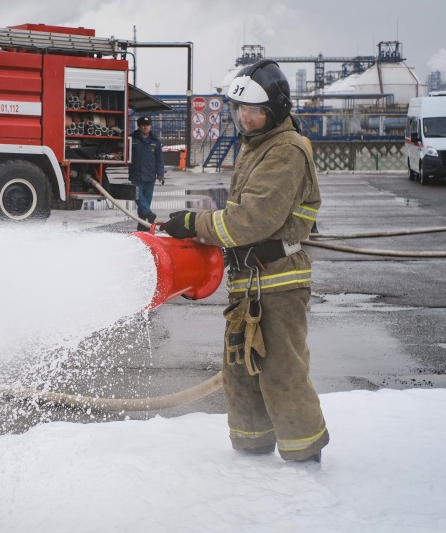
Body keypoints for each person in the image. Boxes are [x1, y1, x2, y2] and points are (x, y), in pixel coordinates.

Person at [160, 59, 328, 463]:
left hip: (277, 281)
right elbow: (244, 220)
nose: (244, 118)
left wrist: (194, 223)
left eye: (253, 111)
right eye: (239, 110)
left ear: (275, 111)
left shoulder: (285, 151)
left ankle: (305, 460)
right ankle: (251, 454)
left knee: (282, 372)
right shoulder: (260, 145)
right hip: (249, 279)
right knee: (241, 370)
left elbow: (251, 219)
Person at [129, 116, 165, 231]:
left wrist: (160, 174)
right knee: (139, 197)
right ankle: (149, 215)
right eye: (143, 125)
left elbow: (159, 159)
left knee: (146, 199)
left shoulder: (155, 141)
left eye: (148, 125)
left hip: (150, 175)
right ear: (139, 126)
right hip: (136, 174)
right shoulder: (132, 139)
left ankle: (142, 224)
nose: (146, 127)